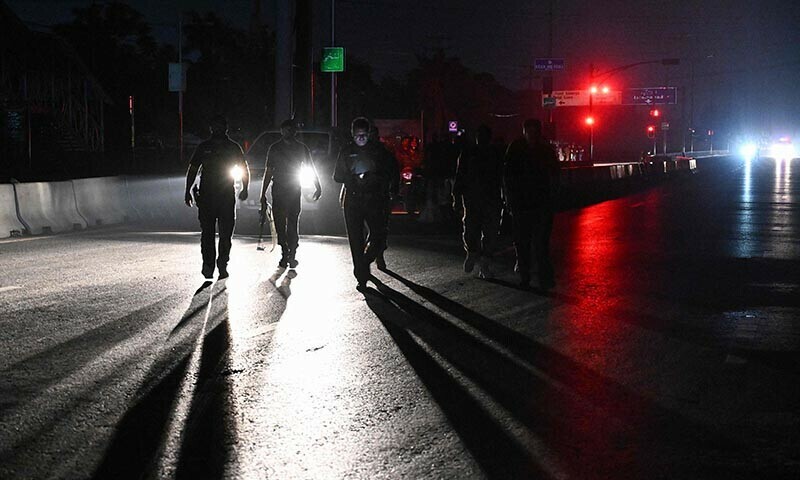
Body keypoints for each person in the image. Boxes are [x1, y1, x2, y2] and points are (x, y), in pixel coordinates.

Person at [334, 117, 396, 290]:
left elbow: (390, 171)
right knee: (355, 239)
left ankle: (365, 261)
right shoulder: (346, 151)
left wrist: (376, 179)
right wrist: (352, 178)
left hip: (374, 199)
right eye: (357, 135)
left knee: (378, 235)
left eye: (364, 134)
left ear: (369, 134)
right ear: (352, 134)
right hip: (352, 199)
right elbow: (337, 176)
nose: (360, 138)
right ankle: (361, 275)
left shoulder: (379, 151)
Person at [184, 115, 250, 279]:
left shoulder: (233, 147)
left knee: (226, 233)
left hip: (226, 196)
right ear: (211, 128)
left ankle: (222, 263)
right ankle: (208, 265)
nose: (217, 129)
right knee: (207, 233)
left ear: (226, 128)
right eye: (214, 126)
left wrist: (245, 187)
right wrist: (188, 190)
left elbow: (243, 168)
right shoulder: (203, 147)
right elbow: (193, 169)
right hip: (206, 196)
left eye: (220, 126)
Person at [503, 119, 559, 289]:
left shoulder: (545, 149)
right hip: (522, 204)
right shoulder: (516, 148)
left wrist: (552, 199)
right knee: (523, 244)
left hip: (541, 204)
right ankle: (526, 277)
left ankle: (543, 278)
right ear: (525, 132)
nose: (532, 136)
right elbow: (507, 176)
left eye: (535, 133)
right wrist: (509, 200)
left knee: (541, 244)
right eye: (530, 132)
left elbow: (555, 175)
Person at [259, 119, 322, 269]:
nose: (288, 132)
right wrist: (263, 193)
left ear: (295, 131)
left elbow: (311, 167)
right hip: (279, 190)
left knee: (293, 222)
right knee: (280, 223)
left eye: (291, 130)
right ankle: (284, 252)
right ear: (282, 131)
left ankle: (292, 253)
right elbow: (268, 171)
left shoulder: (301, 148)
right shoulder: (275, 148)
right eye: (286, 130)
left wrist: (317, 186)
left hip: (294, 190)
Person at [452, 125, 503, 278]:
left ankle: (484, 265)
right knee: (470, 230)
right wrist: (457, 198)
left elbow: (503, 177)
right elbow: (459, 176)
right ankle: (472, 253)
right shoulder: (468, 153)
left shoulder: (495, 154)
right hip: (473, 199)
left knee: (490, 233)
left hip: (491, 200)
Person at [368, 124, 400, 270]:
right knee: (373, 228)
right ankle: (372, 255)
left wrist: (393, 189)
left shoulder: (384, 154)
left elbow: (394, 172)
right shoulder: (359, 152)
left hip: (380, 195)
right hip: (364, 196)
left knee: (380, 227)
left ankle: (377, 254)